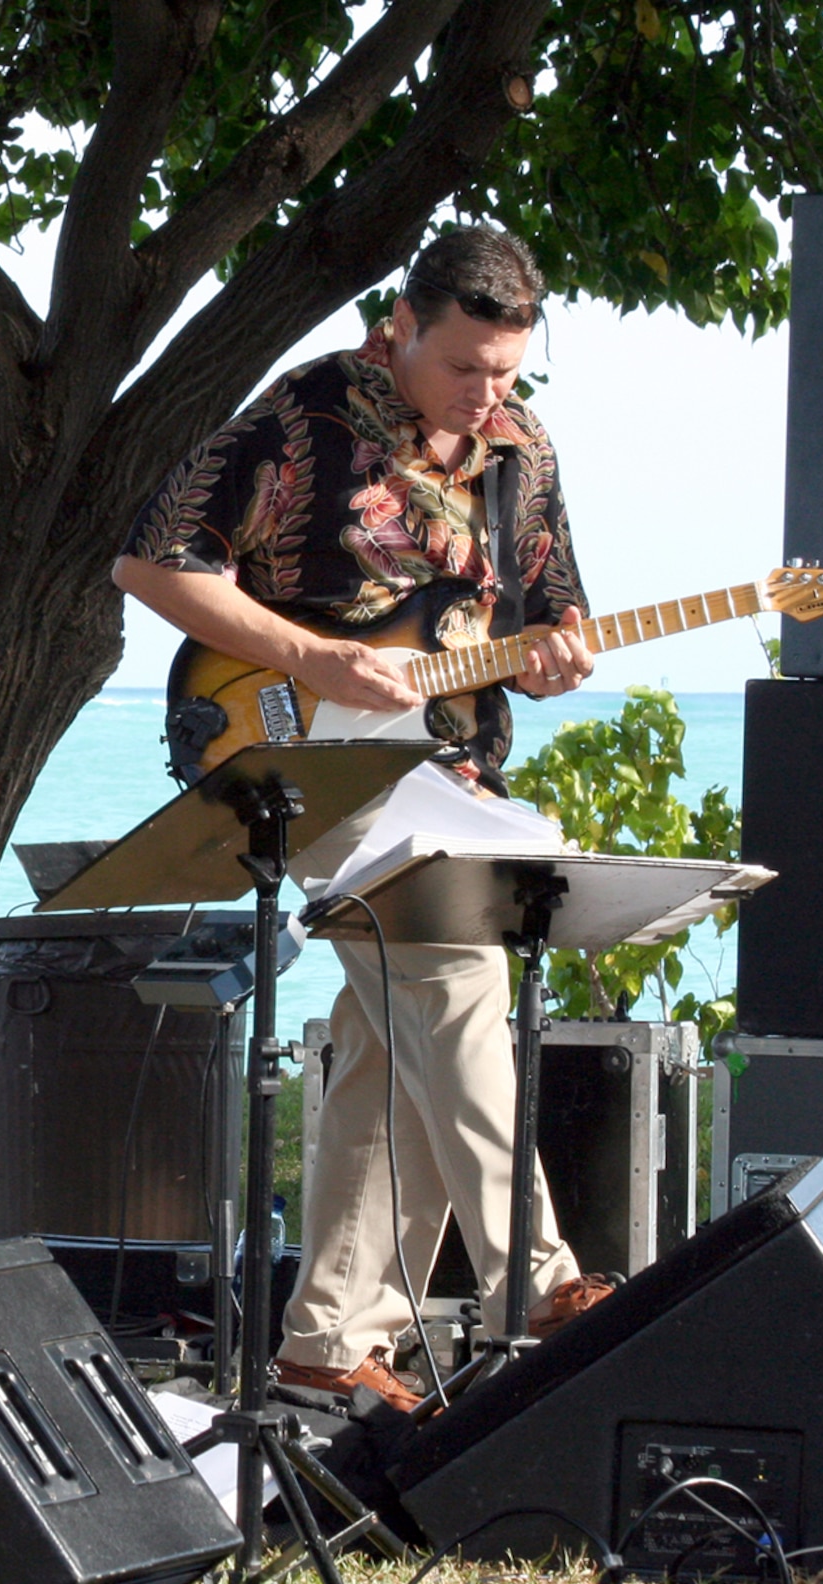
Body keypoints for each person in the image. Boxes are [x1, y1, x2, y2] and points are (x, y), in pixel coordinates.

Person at [114, 225, 614, 1412]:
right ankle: (535, 1277)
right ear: (398, 323)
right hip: (284, 749)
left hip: (450, 773)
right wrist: (315, 657)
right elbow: (151, 563)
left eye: (506, 371)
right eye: (461, 368)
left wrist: (554, 659)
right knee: (444, 966)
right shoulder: (302, 417)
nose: (485, 394)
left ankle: (326, 1339)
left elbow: (550, 610)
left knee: (397, 1030)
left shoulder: (519, 450)